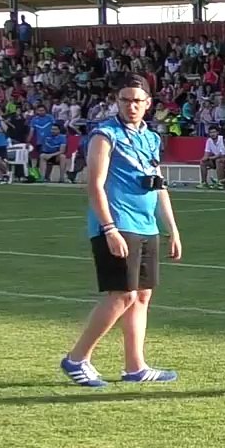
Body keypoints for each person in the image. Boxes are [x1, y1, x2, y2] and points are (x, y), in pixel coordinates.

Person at [60, 73, 181, 387]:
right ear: (117, 101)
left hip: (146, 224)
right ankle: (77, 359)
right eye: (125, 100)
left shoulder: (151, 137)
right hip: (117, 224)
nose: (131, 106)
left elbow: (158, 184)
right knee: (122, 295)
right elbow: (95, 185)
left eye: (138, 101)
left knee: (142, 296)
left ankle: (135, 367)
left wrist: (172, 228)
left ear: (148, 104)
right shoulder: (105, 135)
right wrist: (109, 228)